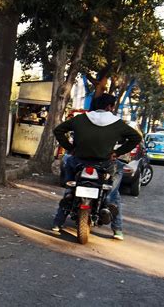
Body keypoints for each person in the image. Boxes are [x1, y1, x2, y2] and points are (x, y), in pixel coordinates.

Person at [52, 93, 141, 241]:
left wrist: (70, 147)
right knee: (116, 188)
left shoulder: (80, 118)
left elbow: (58, 130)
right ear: (109, 107)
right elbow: (136, 138)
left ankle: (57, 223)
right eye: (113, 107)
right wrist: (117, 152)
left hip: (79, 162)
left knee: (68, 171)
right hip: (105, 164)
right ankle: (117, 229)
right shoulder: (117, 123)